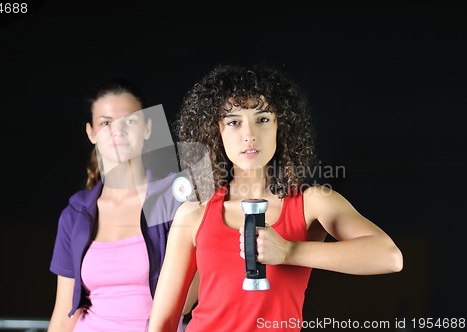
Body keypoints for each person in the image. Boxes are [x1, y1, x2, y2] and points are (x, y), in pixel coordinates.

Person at [148, 64, 403, 331]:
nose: (249, 135)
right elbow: (164, 320)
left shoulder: (312, 204)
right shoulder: (194, 214)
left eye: (263, 119)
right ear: (216, 132)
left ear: (281, 126)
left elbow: (389, 256)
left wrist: (290, 251)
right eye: (234, 122)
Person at [48, 78, 196, 331]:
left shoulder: (177, 199)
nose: (118, 131)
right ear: (91, 133)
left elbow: (186, 302)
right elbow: (64, 315)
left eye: (130, 121)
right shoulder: (75, 214)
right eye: (106, 123)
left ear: (148, 128)